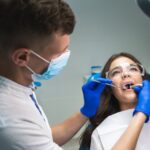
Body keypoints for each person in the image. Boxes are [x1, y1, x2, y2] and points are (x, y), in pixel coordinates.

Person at [0, 0, 109, 149]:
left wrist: (85, 111)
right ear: (22, 57)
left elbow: (43, 137)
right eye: (60, 53)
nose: (66, 56)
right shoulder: (11, 120)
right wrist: (140, 116)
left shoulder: (19, 82)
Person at [80, 52, 150, 150]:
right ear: (110, 88)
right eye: (116, 72)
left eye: (133, 69)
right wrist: (141, 113)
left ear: (143, 79)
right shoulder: (100, 133)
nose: (125, 74)